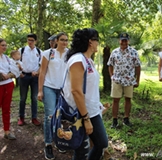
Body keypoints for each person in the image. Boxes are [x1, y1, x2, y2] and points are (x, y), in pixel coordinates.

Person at [63, 28, 108, 160]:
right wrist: (86, 118)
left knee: (89, 147)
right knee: (95, 145)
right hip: (82, 112)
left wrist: (99, 106)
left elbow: (89, 88)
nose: (98, 44)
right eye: (97, 40)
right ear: (90, 42)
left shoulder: (87, 60)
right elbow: (76, 91)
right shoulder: (78, 60)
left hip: (91, 110)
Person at [38, 32, 68, 160]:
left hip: (63, 89)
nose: (64, 42)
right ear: (56, 41)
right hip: (49, 87)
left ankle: (59, 141)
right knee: (50, 116)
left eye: (66, 40)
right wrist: (40, 90)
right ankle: (48, 144)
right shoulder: (48, 53)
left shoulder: (70, 54)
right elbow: (42, 72)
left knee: (60, 116)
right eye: (62, 40)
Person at [107, 33, 141, 128]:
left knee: (128, 99)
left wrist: (137, 80)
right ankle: (114, 120)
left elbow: (138, 66)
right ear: (119, 41)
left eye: (126, 40)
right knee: (116, 99)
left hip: (129, 79)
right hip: (117, 79)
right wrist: (111, 76)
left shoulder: (133, 52)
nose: (124, 42)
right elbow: (110, 64)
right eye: (122, 40)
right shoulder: (115, 52)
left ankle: (126, 119)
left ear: (128, 41)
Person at [18, 33, 42, 126]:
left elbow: (42, 65)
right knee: (22, 98)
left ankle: (34, 118)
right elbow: (16, 62)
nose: (30, 42)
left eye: (32, 40)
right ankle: (21, 117)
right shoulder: (22, 50)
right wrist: (19, 73)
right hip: (24, 76)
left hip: (34, 78)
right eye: (28, 40)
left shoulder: (39, 52)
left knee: (34, 98)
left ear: (35, 41)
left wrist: (37, 72)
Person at [0, 38, 17, 140]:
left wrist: (10, 74)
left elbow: (14, 71)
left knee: (6, 109)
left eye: (5, 45)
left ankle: (7, 131)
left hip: (8, 85)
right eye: (2, 45)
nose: (5, 47)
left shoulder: (6, 58)